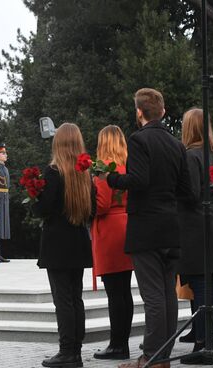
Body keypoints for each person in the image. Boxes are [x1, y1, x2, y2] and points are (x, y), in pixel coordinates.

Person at [105, 88, 190, 368]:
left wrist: (113, 179)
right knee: (167, 295)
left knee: (153, 296)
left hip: (147, 228)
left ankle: (151, 357)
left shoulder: (139, 139)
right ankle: (163, 355)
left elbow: (138, 180)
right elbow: (186, 190)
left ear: (139, 112)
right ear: (163, 112)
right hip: (171, 226)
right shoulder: (176, 144)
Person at [32, 123, 93, 368]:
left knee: (63, 299)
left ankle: (67, 351)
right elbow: (94, 209)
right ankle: (75, 348)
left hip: (57, 242)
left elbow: (45, 209)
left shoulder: (53, 172)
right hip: (78, 239)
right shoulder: (84, 173)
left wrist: (35, 199)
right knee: (75, 297)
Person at [176, 108, 213, 365]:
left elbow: (191, 193)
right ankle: (208, 340)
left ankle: (203, 344)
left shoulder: (191, 156)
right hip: (212, 221)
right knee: (209, 281)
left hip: (194, 226)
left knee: (200, 283)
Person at [91, 125, 134, 361]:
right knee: (123, 290)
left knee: (114, 292)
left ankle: (117, 344)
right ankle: (121, 342)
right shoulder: (126, 165)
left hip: (109, 229)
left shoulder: (104, 168)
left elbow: (102, 204)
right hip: (125, 225)